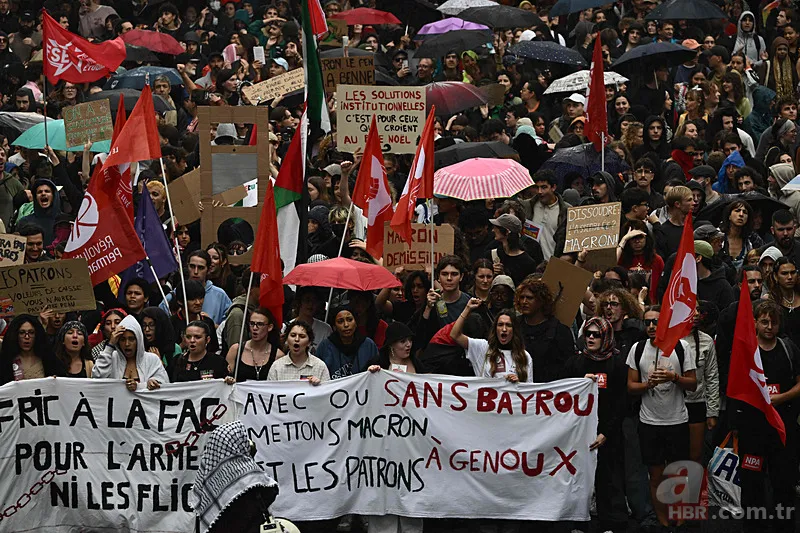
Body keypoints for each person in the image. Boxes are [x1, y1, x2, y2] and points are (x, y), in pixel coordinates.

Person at [627, 306, 697, 528]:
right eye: (647, 322)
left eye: (655, 322)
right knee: (655, 475)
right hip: (649, 422)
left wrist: (673, 377)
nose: (651, 326)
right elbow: (630, 386)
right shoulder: (638, 349)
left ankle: (680, 520)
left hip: (677, 421)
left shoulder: (681, 347)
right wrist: (647, 384)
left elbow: (693, 384)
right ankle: (663, 522)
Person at [736, 300, 800, 533]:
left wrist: (780, 398)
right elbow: (734, 388)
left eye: (774, 322)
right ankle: (754, 526)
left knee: (784, 483)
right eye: (764, 322)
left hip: (783, 429)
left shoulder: (788, 349)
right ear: (754, 323)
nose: (769, 327)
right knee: (752, 484)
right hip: (752, 431)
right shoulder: (745, 351)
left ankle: (784, 526)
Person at [563, 316, 628, 533]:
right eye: (587, 334)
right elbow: (562, 392)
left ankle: (611, 525)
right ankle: (578, 524)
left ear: (606, 337)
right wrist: (580, 381)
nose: (590, 338)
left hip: (607, 434)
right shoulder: (575, 362)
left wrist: (606, 433)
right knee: (578, 480)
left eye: (596, 335)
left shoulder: (617, 364)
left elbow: (621, 402)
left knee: (609, 481)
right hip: (579, 433)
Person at [451, 297, 533, 382]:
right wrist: (467, 309)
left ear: (514, 330)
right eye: (500, 325)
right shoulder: (482, 348)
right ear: (495, 328)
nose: (504, 329)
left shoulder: (525, 356)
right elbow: (455, 335)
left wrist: (518, 383)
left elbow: (529, 388)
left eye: (508, 325)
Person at [514, 278, 575, 382]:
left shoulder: (560, 331)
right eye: (522, 297)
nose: (524, 302)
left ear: (541, 301)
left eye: (529, 298)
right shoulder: (514, 325)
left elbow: (568, 368)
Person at [92, 315, 168, 391]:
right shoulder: (111, 358)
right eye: (122, 339)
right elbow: (96, 378)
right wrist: (110, 345)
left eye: (131, 339)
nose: (127, 344)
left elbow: (165, 386)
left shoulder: (152, 359)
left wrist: (146, 385)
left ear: (138, 340)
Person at [316, 306, 378, 379]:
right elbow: (317, 373)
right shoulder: (325, 346)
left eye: (350, 320)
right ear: (334, 327)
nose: (346, 325)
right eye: (340, 321)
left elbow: (378, 373)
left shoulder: (368, 345)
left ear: (356, 323)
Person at [0, 314, 63, 384]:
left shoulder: (48, 359)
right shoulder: (5, 361)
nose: (27, 337)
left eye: (31, 332)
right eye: (22, 333)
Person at [226, 308, 280, 382]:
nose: (254, 328)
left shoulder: (277, 355)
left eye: (260, 324)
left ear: (270, 327)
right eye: (252, 323)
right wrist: (228, 379)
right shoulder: (236, 350)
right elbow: (225, 377)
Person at [485, 214, 540, 285]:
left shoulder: (528, 263)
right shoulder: (491, 254)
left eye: (497, 228)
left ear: (507, 231)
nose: (493, 230)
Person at [720, 200, 765, 270]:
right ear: (729, 216)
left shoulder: (752, 238)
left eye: (745, 212)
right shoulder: (718, 237)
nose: (741, 214)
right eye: (737, 211)